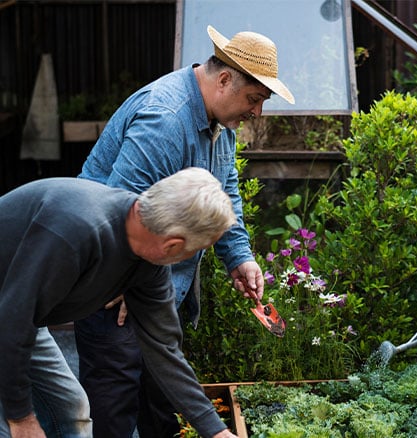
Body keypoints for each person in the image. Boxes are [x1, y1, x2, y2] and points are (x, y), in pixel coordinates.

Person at [74, 25, 294, 437]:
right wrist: (121, 278)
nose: (257, 113)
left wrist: (239, 257)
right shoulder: (165, 118)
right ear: (225, 79)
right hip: (113, 290)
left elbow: (224, 192)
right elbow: (117, 206)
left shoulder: (220, 124)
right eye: (254, 99)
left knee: (160, 404)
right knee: (114, 409)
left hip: (156, 286)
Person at [0, 168, 239, 438]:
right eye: (194, 251)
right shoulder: (76, 231)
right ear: (173, 245)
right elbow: (11, 325)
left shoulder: (149, 265)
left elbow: (164, 350)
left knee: (71, 410)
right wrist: (21, 418)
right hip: (10, 317)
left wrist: (217, 432)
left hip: (19, 314)